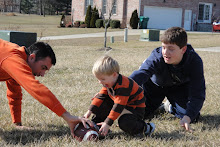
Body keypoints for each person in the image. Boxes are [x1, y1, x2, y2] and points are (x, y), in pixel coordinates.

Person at [0, 39, 93, 133]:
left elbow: (14, 93)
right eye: (43, 68)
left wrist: (17, 124)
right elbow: (35, 88)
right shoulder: (13, 58)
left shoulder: (17, 58)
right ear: (32, 57)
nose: (43, 74)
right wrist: (67, 116)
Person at [129, 27, 206, 132]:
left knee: (193, 116)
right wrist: (119, 88)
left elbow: (198, 93)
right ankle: (157, 105)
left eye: (171, 49)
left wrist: (187, 117)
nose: (165, 52)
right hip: (155, 87)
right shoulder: (156, 56)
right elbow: (141, 74)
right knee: (142, 114)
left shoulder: (194, 61)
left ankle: (168, 106)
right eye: (163, 47)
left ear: (183, 49)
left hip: (179, 88)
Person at [84, 55, 155, 137]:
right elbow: (101, 96)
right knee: (102, 101)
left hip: (134, 109)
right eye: (98, 79)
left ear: (114, 75)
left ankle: (145, 128)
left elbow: (118, 106)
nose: (100, 82)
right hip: (122, 106)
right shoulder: (109, 83)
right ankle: (98, 125)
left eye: (102, 79)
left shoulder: (123, 86)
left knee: (125, 123)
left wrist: (108, 123)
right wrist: (89, 111)